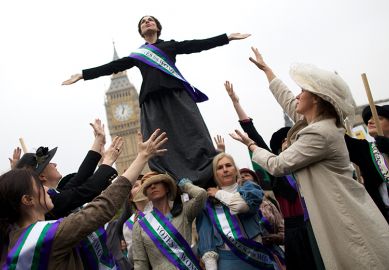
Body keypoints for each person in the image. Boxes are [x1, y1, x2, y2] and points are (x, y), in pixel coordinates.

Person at [230, 47, 389, 269]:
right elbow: (288, 100)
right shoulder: (313, 123)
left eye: (302, 90)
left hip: (341, 211)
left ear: (316, 99)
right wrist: (267, 71)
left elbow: (278, 164)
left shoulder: (319, 132)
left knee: (359, 258)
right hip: (329, 210)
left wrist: (251, 145)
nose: (297, 95)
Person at [62, 15, 250, 188]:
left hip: (177, 97)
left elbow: (196, 45)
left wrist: (227, 37)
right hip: (152, 103)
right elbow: (113, 66)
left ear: (157, 27)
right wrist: (83, 75)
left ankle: (207, 176)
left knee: (194, 134)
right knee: (159, 145)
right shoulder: (137, 55)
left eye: (150, 20)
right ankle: (174, 184)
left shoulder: (169, 46)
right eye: (143, 21)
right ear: (141, 31)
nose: (147, 21)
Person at [0, 129, 167, 269]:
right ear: (28, 200)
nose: (46, 189)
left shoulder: (15, 240)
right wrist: (142, 157)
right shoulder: (51, 235)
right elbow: (101, 207)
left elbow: (79, 181)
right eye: (38, 184)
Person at [224, 80, 317, 269]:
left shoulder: (310, 166)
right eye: (283, 141)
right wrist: (236, 103)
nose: (286, 142)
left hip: (319, 226)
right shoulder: (278, 172)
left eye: (290, 138)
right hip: (296, 233)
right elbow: (254, 137)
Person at [14, 119, 120, 219]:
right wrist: (107, 161)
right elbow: (86, 191)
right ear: (42, 176)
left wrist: (98, 139)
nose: (55, 164)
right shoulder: (49, 202)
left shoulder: (57, 194)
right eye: (50, 163)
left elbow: (81, 176)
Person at [196, 152, 284, 270]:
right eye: (220, 167)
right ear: (215, 174)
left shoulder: (250, 189)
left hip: (257, 258)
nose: (225, 170)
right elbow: (206, 239)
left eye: (228, 165)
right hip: (227, 262)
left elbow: (240, 206)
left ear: (235, 169)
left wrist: (218, 193)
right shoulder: (207, 203)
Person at [132, 171, 207, 269]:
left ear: (167, 188)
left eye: (157, 182)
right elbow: (140, 264)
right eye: (148, 185)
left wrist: (184, 184)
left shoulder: (184, 212)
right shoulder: (140, 226)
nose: (153, 186)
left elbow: (201, 195)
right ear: (146, 194)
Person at [344, 104, 389, 224]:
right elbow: (337, 137)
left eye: (379, 118)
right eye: (369, 119)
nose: (370, 121)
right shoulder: (366, 150)